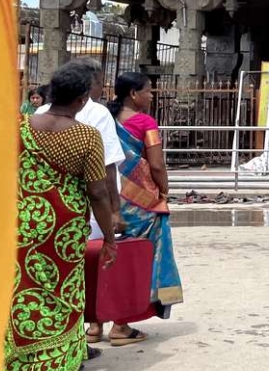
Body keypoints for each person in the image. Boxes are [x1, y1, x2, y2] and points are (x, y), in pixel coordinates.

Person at [7, 62, 118, 371]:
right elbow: (98, 193)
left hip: (24, 220)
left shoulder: (22, 125)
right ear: (82, 100)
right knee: (62, 292)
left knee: (23, 287)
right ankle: (59, 359)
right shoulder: (87, 137)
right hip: (64, 229)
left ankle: (21, 355)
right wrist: (109, 238)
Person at [90, 71, 183, 347]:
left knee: (103, 257)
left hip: (106, 200)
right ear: (134, 94)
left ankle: (94, 326)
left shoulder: (106, 119)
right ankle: (121, 325)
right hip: (141, 206)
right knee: (134, 262)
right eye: (149, 90)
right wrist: (163, 191)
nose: (152, 95)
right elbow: (156, 165)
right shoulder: (145, 122)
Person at [36, 58, 125, 241]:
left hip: (35, 214)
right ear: (84, 93)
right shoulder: (91, 126)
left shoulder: (29, 121)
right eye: (100, 83)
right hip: (75, 218)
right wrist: (114, 213)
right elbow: (102, 181)